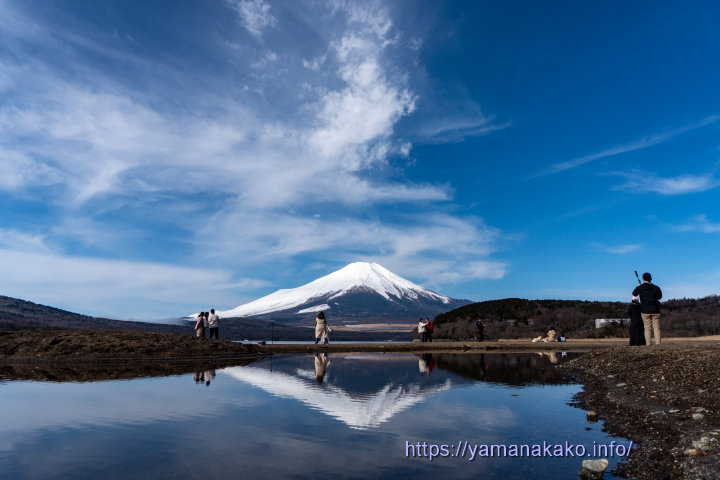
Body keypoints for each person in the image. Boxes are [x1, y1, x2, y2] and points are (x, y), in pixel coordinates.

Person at [632, 272, 663, 345]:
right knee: (656, 328)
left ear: (643, 278)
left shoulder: (640, 287)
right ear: (651, 279)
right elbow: (659, 297)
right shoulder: (656, 288)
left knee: (647, 328)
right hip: (655, 310)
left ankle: (648, 344)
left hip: (645, 310)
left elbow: (634, 293)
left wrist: (640, 287)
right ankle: (658, 344)